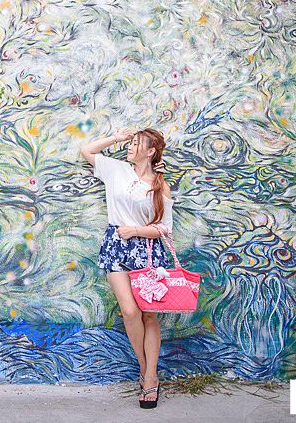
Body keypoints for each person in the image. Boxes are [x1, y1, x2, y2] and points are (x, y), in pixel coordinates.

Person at [80, 127, 173, 409]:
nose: (130, 147)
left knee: (149, 317)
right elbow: (87, 150)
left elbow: (165, 229)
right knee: (129, 311)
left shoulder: (159, 184)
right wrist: (117, 138)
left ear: (151, 151)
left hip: (146, 251)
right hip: (116, 246)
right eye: (129, 143)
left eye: (135, 143)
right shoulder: (116, 170)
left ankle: (150, 378)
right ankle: (146, 370)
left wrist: (135, 230)